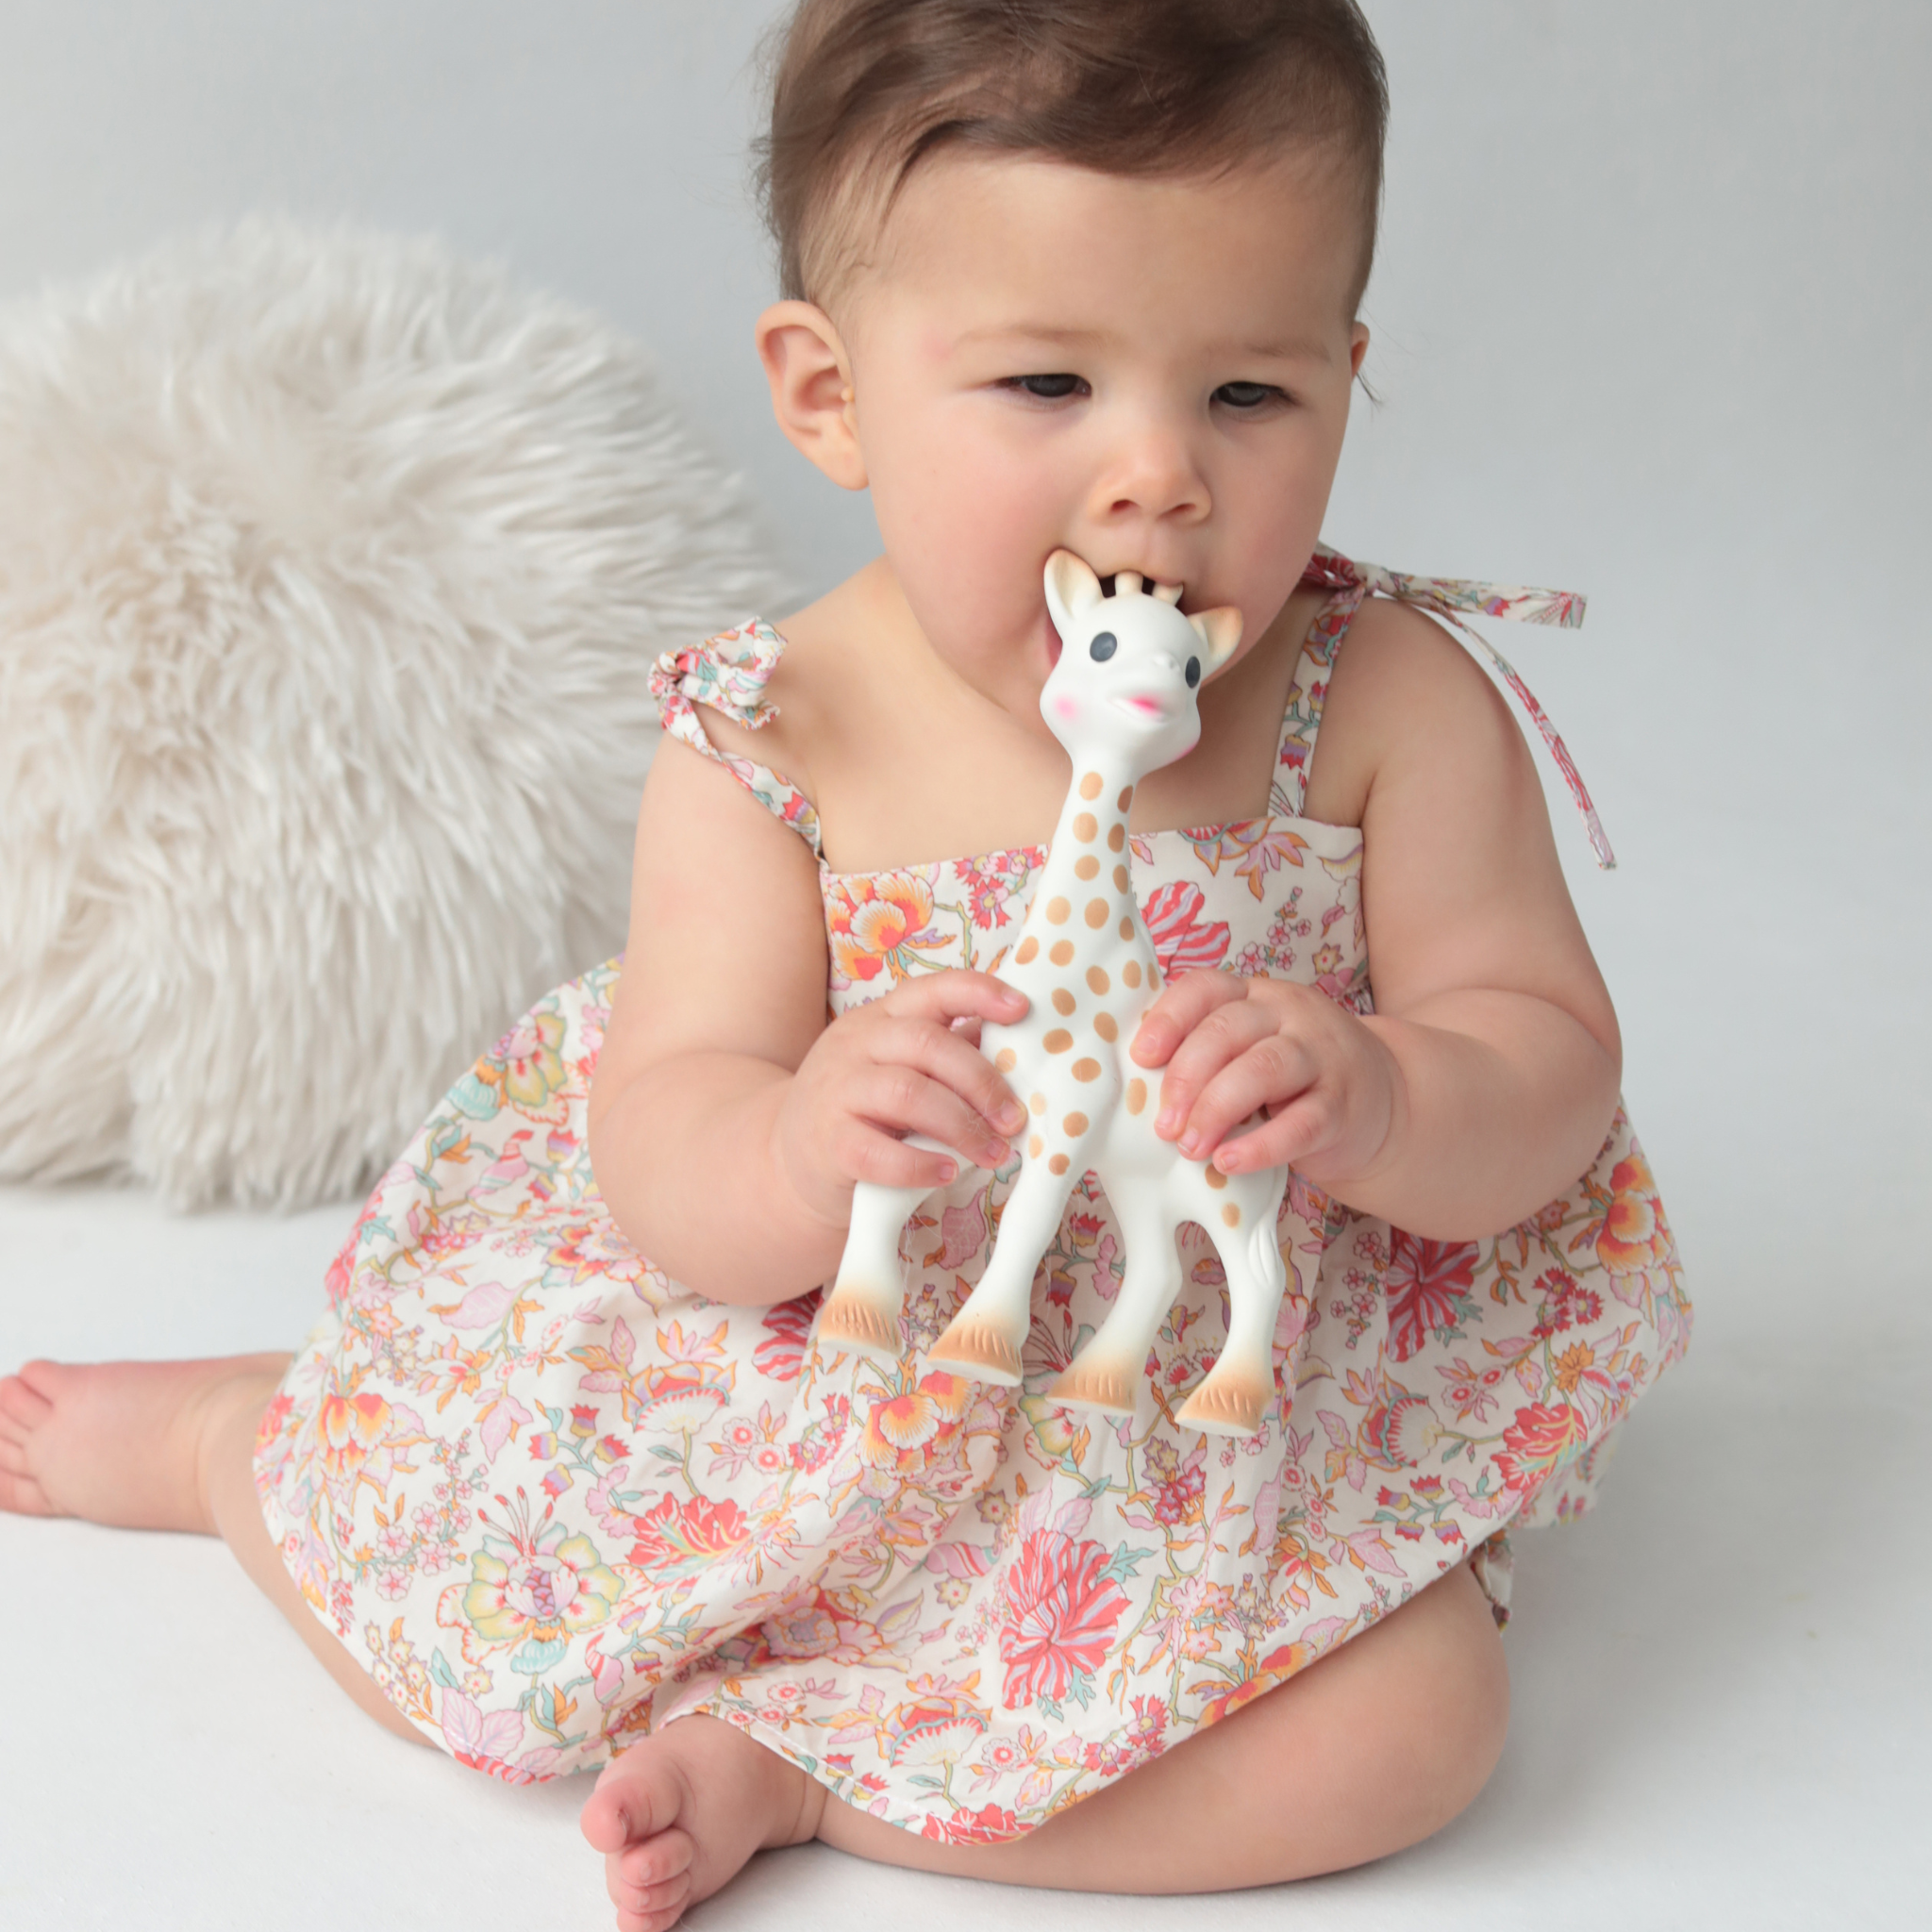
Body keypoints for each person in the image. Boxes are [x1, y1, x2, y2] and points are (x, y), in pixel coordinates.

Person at [0, 3, 1691, 1927]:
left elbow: (1544, 1059)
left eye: (1248, 392)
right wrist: (799, 1144)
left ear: (1347, 372)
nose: (1159, 477)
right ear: (831, 394)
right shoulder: (776, 736)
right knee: (457, 1593)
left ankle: (813, 1775)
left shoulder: (1387, 706)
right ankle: (242, 1441)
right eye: (1047, 381)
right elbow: (668, 1132)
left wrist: (1386, 1093)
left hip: (1211, 1419)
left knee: (1418, 1733)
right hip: (831, 1367)